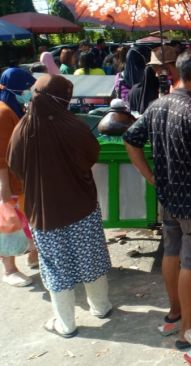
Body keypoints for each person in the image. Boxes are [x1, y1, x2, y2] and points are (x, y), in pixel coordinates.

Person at [123, 49, 191, 350]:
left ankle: (175, 310)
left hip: (168, 197)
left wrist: (151, 176)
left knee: (171, 252)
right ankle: (186, 328)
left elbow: (130, 140)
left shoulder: (157, 105)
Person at [8, 74, 113, 338]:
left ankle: (66, 324)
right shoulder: (74, 127)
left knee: (56, 266)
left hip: (44, 213)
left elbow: (15, 165)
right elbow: (92, 154)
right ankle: (100, 307)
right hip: (81, 206)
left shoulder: (21, 129)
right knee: (90, 256)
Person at [0, 68, 38, 287]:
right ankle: (9, 269)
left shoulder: (14, 108)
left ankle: (32, 255)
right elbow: (1, 156)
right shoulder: (3, 113)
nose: (28, 92)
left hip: (19, 177)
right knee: (9, 225)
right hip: (10, 181)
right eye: (26, 88)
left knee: (25, 220)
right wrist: (4, 187)